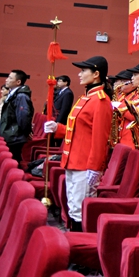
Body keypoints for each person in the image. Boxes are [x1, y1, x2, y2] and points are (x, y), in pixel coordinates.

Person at [44, 56, 112, 232]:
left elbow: (100, 139)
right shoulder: (86, 97)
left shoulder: (101, 101)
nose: (79, 74)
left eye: (83, 71)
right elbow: (77, 130)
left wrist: (94, 168)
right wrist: (57, 128)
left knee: (80, 210)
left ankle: (81, 245)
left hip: (85, 165)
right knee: (73, 205)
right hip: (72, 160)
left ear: (96, 74)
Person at [0, 70, 34, 164]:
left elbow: (23, 117)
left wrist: (26, 132)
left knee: (13, 162)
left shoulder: (21, 96)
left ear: (18, 82)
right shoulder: (13, 94)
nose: (6, 80)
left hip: (14, 136)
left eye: (10, 78)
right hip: (10, 134)